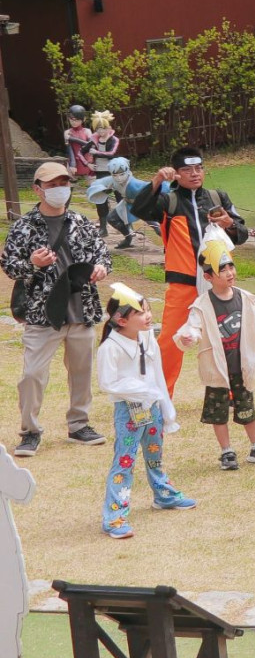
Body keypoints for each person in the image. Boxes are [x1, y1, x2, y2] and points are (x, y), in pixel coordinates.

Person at [5, 160, 112, 456]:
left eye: (63, 184)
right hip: (42, 315)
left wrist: (101, 268)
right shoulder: (24, 226)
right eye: (52, 185)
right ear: (37, 190)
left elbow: (102, 255)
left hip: (81, 310)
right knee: (32, 375)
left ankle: (79, 425)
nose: (59, 189)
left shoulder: (81, 222)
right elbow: (10, 265)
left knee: (81, 372)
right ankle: (29, 431)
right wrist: (32, 264)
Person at [130, 147, 248, 393]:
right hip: (182, 283)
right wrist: (157, 180)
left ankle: (232, 393)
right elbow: (139, 209)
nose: (195, 173)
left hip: (219, 283)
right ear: (176, 173)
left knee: (227, 338)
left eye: (199, 168)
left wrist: (229, 224)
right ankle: (162, 397)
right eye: (187, 169)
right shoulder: (168, 201)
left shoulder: (218, 197)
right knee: (170, 341)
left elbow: (241, 234)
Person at [95, 284, 194, 537]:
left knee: (154, 454)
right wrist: (140, 390)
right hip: (129, 411)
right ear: (121, 320)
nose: (148, 316)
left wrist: (165, 407)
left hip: (153, 407)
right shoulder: (110, 348)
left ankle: (164, 494)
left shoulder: (148, 337)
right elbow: (108, 383)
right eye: (140, 313)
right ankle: (114, 517)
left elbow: (157, 372)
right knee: (124, 461)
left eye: (148, 310)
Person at [172, 238, 255, 471]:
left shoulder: (245, 298)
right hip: (218, 368)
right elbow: (192, 327)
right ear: (208, 277)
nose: (229, 273)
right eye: (223, 269)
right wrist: (188, 337)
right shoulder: (202, 304)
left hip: (241, 365)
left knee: (247, 407)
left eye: (231, 267)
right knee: (218, 412)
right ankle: (226, 451)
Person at [85, 156, 144, 250]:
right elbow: (98, 183)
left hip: (142, 204)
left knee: (155, 225)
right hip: (126, 203)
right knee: (112, 218)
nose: (119, 178)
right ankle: (128, 238)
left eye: (121, 174)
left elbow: (151, 189)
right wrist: (103, 189)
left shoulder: (134, 183)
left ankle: (167, 243)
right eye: (115, 175)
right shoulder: (112, 179)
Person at [86, 110, 120, 182]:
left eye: (103, 128)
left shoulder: (114, 140)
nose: (100, 130)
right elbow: (80, 152)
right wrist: (88, 164)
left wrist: (96, 152)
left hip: (113, 169)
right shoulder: (94, 140)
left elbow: (111, 153)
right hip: (99, 171)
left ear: (109, 128)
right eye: (98, 128)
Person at [61, 105, 93, 182]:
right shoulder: (67, 132)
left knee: (91, 182)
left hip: (86, 160)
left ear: (83, 119)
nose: (74, 122)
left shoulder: (87, 131)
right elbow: (69, 149)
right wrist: (72, 164)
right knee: (70, 183)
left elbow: (90, 145)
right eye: (71, 119)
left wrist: (72, 139)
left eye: (77, 120)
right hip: (74, 161)